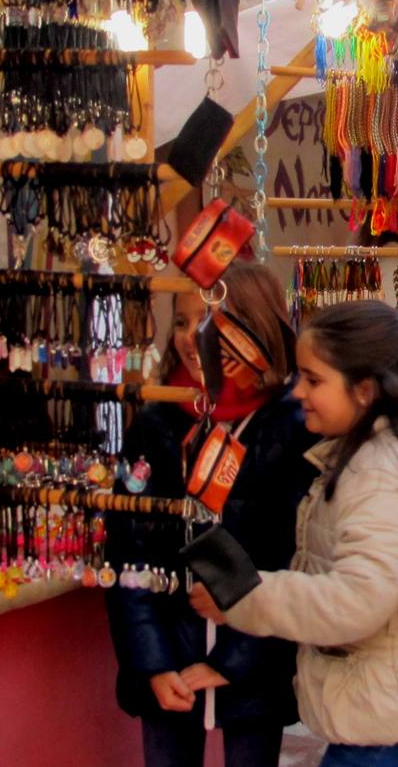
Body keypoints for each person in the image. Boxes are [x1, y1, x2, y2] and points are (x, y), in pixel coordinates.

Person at [184, 300, 398, 766]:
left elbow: (355, 601)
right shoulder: (369, 459)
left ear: (364, 391)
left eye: (314, 380)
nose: (297, 393)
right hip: (391, 709)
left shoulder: (385, 473)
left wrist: (244, 597)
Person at [103, 263, 319, 767]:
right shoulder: (155, 421)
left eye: (209, 319)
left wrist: (236, 661)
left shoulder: (291, 425)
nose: (189, 337)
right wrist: (153, 662)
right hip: (168, 665)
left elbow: (296, 557)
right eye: (180, 321)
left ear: (254, 327)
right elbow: (127, 551)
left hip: (253, 666)